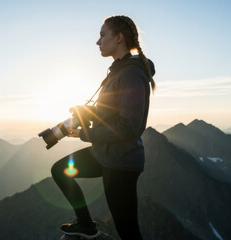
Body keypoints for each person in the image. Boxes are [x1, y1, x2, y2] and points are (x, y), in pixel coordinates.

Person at [51, 15, 156, 240]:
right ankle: (86, 226)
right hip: (104, 153)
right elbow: (111, 112)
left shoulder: (131, 73)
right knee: (60, 171)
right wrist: (85, 111)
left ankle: (87, 227)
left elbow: (129, 127)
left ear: (118, 38)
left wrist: (83, 133)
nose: (97, 42)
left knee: (128, 230)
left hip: (121, 163)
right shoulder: (119, 70)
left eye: (102, 35)